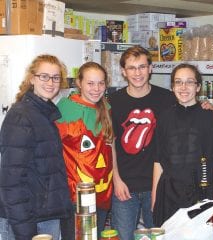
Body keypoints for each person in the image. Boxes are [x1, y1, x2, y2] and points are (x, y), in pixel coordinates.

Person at [0, 54, 72, 240]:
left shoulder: (43, 114)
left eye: (56, 77)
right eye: (44, 76)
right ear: (32, 78)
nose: (50, 82)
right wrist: (26, 232)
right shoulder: (21, 117)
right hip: (27, 221)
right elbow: (11, 181)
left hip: (46, 216)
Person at [108, 46, 177, 240]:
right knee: (123, 237)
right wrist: (116, 180)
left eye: (142, 67)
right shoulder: (113, 101)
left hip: (158, 186)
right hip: (124, 187)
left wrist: (205, 105)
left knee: (159, 237)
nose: (137, 73)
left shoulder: (167, 99)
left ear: (150, 68)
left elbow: (188, 113)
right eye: (131, 68)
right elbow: (110, 143)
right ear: (123, 71)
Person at [151, 63, 213, 226]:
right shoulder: (164, 119)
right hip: (168, 196)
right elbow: (158, 161)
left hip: (202, 194)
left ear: (198, 87)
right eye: (178, 82)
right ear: (172, 87)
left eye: (189, 82)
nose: (183, 87)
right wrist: (154, 199)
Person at [56, 62, 114, 239]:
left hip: (102, 193)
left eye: (101, 83)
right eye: (90, 83)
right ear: (79, 83)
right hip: (76, 195)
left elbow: (111, 148)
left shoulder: (106, 109)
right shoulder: (65, 109)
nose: (96, 89)